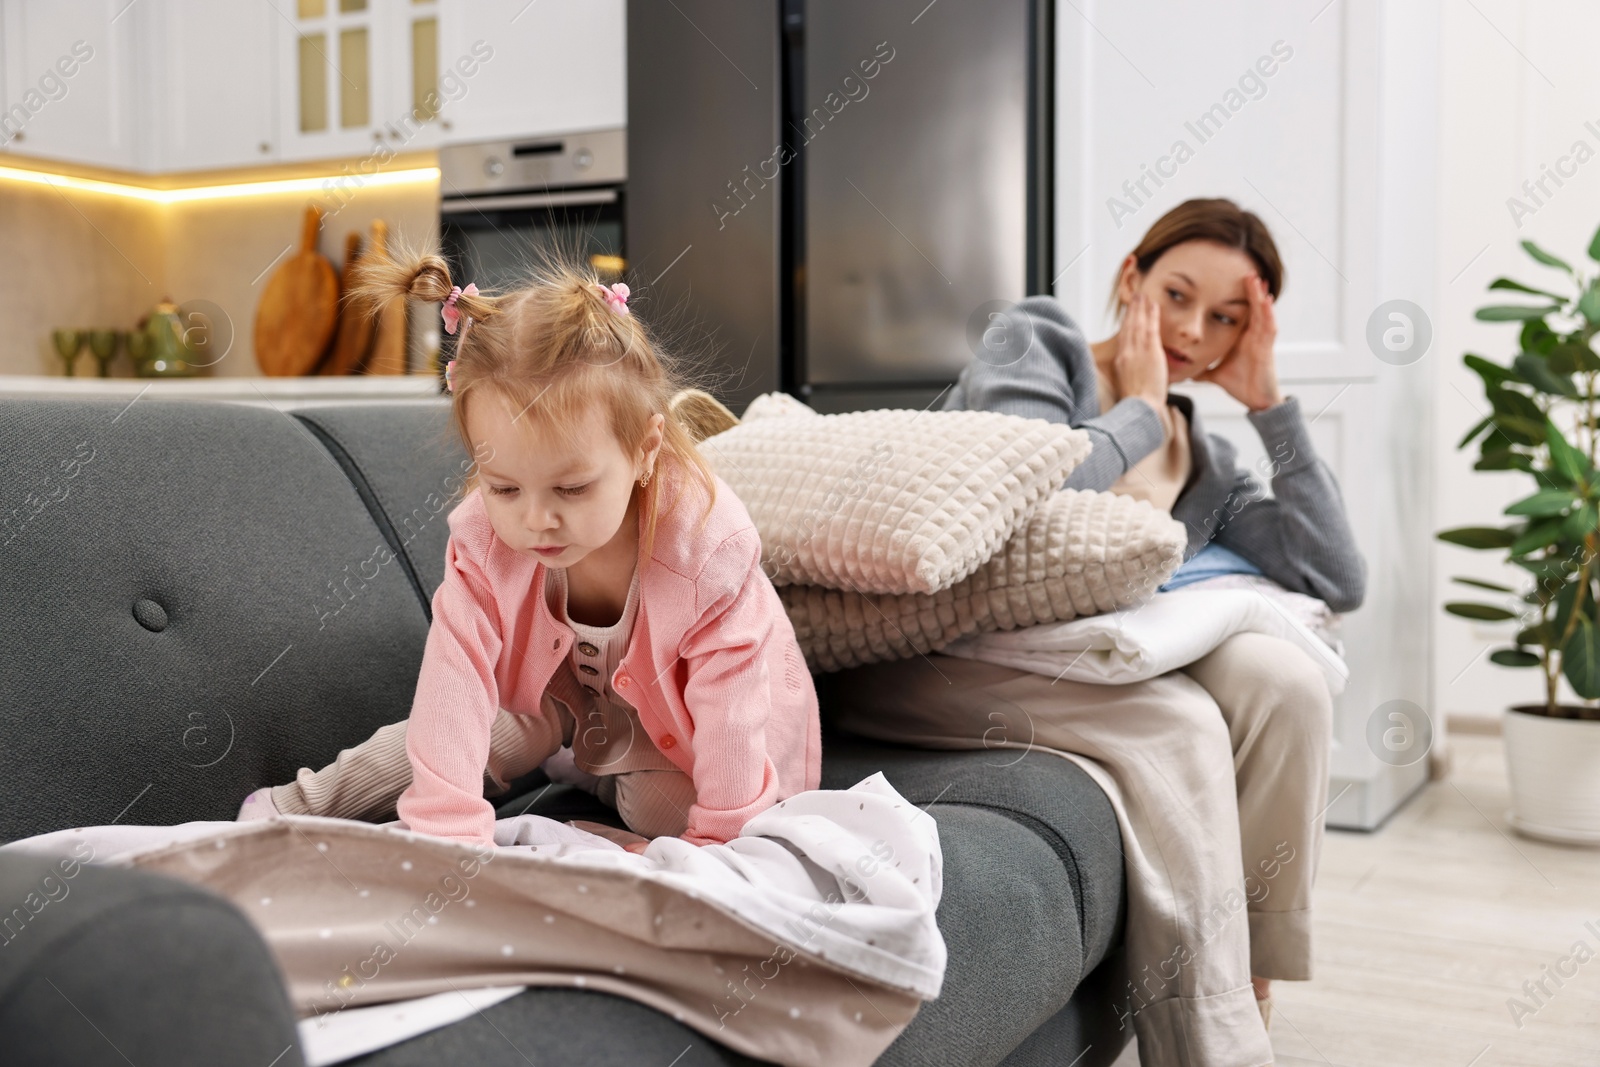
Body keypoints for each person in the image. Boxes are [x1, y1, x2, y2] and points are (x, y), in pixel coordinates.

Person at [827, 198, 1365, 1064]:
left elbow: (1337, 574)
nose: (1194, 329)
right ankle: (1207, 1033)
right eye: (1178, 294)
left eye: (1227, 318)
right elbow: (1026, 493)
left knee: (1289, 681)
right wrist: (1142, 411)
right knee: (1186, 717)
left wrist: (1270, 405)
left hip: (1079, 662)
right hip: (950, 654)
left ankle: (1251, 978)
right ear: (1131, 279)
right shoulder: (1036, 342)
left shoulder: (1208, 461)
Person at [239, 248, 821, 851]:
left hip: (710, 736)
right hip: (571, 700)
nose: (536, 519)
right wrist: (448, 840)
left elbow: (734, 722)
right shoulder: (483, 540)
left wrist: (718, 847)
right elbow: (453, 683)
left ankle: (593, 768)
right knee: (472, 733)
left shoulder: (705, 546)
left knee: (659, 809)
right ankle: (286, 809)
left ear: (647, 449)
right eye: (504, 487)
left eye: (572, 487)